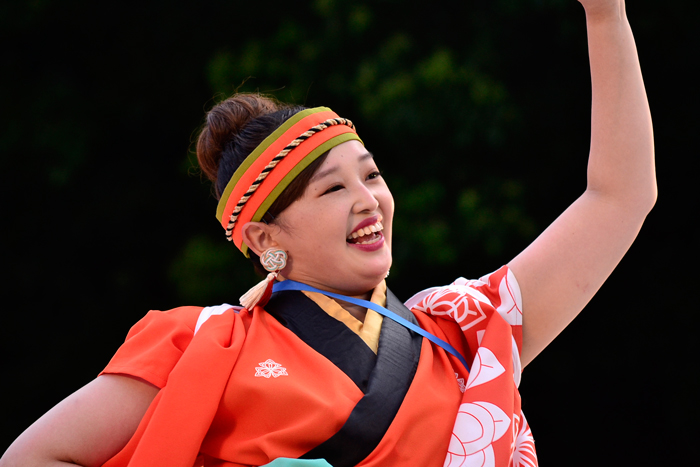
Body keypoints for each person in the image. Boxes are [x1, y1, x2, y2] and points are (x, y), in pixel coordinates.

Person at [0, 0, 656, 466]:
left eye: (371, 175)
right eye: (334, 189)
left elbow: (620, 197)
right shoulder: (199, 344)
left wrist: (605, 15)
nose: (369, 200)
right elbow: (32, 455)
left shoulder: (462, 331)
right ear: (263, 237)